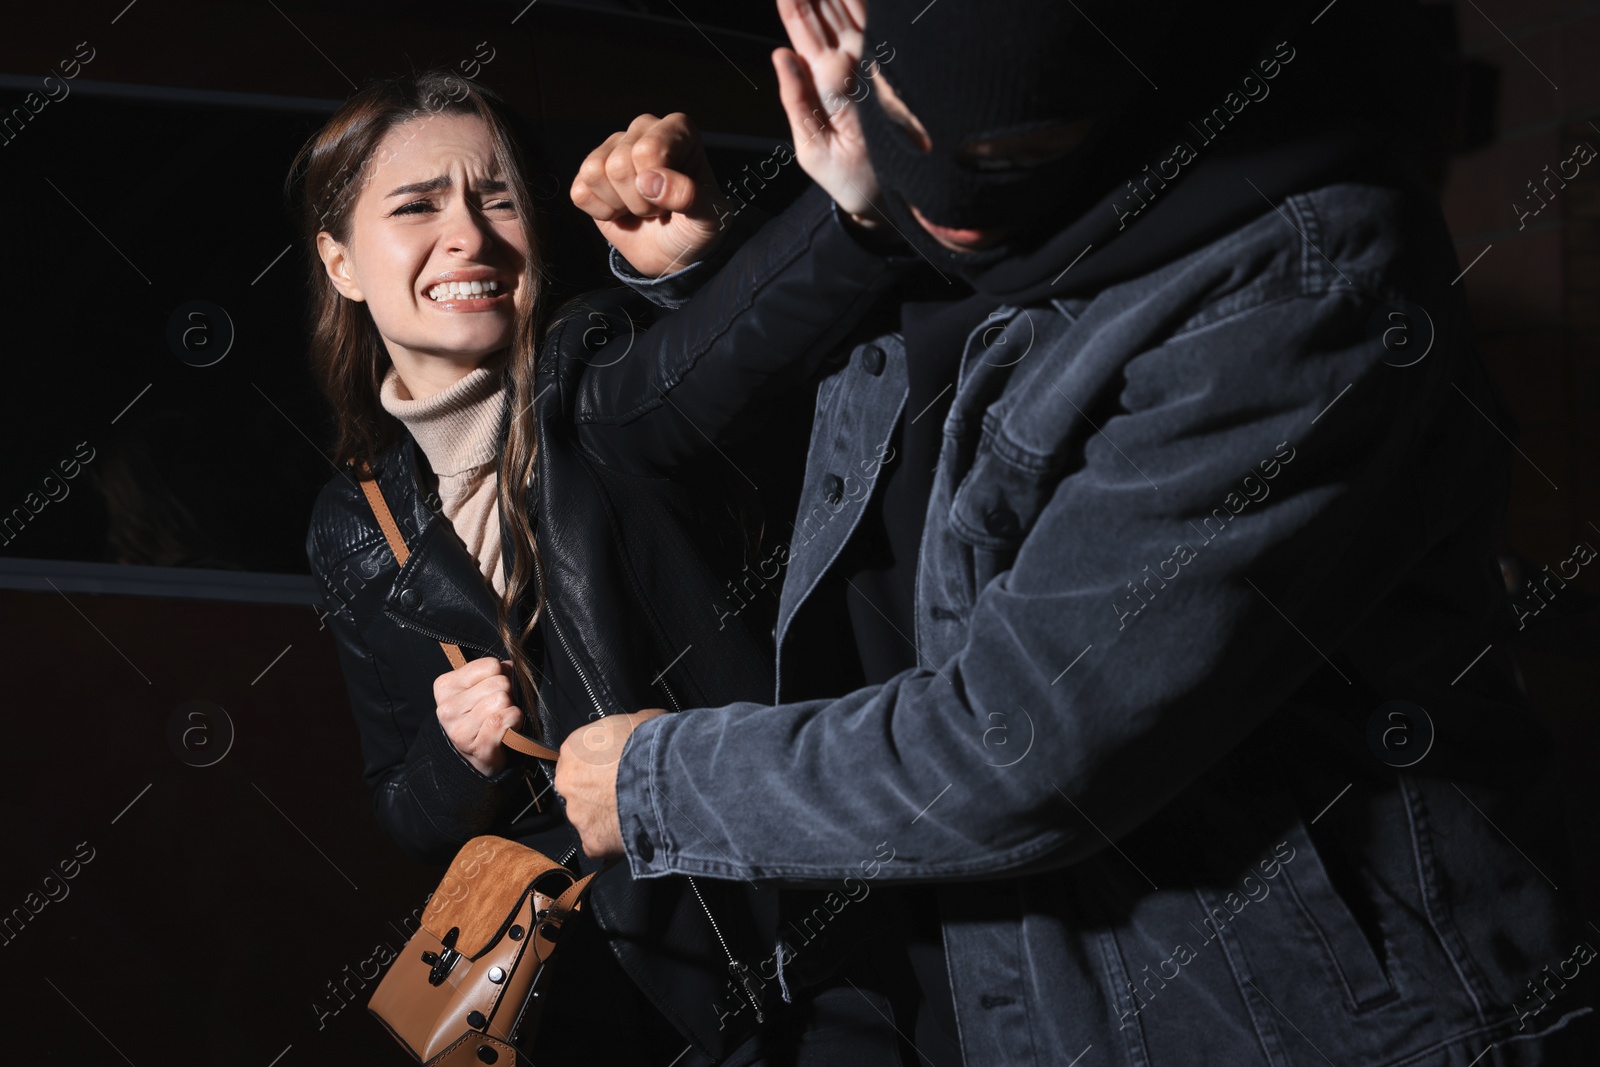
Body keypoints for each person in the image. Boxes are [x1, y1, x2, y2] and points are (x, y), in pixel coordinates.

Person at [554, 1, 1599, 1065]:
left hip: (1281, 1019)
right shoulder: (967, 207)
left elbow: (1016, 746)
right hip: (990, 972)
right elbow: (737, 458)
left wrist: (659, 779)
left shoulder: (1295, 280)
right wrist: (745, 262)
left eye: (1006, 151)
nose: (947, 195)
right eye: (898, 117)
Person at [295, 56, 914, 1064]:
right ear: (343, 264)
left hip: (781, 968)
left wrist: (839, 207)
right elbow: (404, 812)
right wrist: (457, 754)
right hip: (580, 997)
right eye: (417, 205)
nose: (468, 235)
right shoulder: (353, 520)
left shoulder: (596, 371)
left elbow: (720, 364)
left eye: (496, 199)